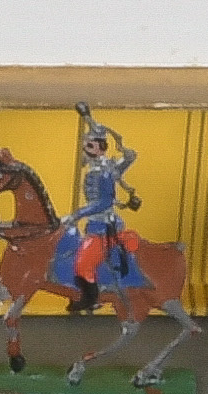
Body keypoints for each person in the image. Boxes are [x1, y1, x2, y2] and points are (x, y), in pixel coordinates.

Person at [50, 116, 151, 308]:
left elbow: (104, 202)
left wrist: (76, 215)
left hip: (103, 225)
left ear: (100, 148)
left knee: (83, 263)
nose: (84, 150)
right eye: (85, 145)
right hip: (94, 224)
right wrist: (128, 156)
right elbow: (128, 160)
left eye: (89, 146)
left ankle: (91, 299)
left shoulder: (103, 171)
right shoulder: (101, 167)